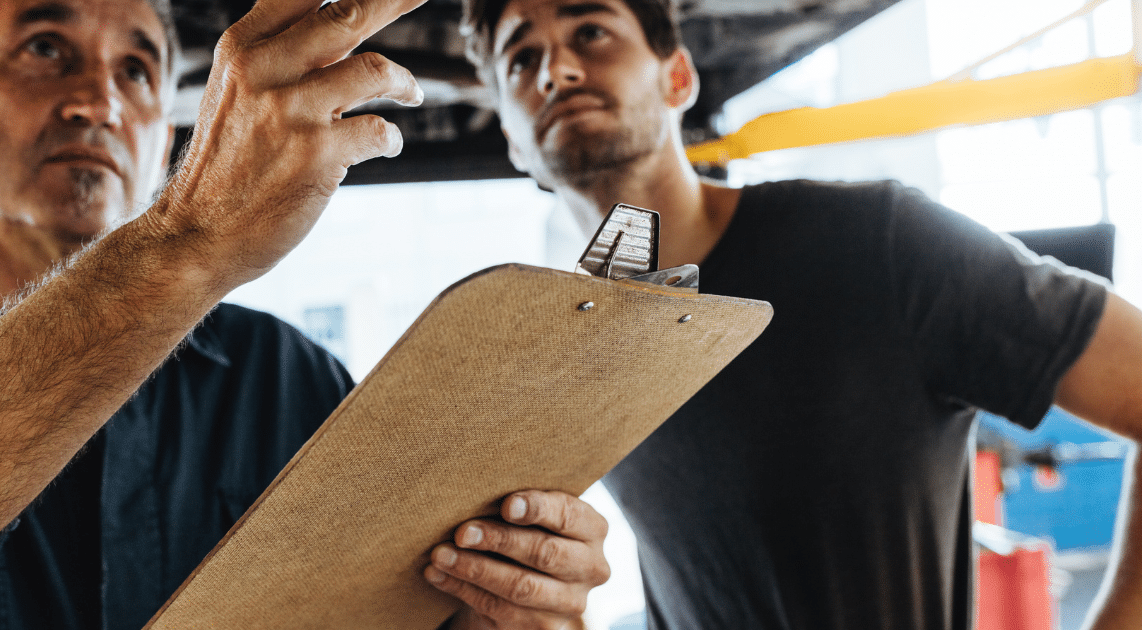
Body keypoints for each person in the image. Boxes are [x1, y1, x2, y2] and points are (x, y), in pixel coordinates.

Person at [458, 0, 1142, 628]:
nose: (558, 69)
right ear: (515, 144)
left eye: (591, 32)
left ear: (677, 79)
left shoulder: (882, 243)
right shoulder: (572, 347)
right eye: (522, 58)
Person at [0, 0, 610, 628]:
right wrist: (191, 236)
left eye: (137, 71)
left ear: (168, 131)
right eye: (46, 48)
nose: (99, 103)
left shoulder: (293, 379)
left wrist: (495, 603)